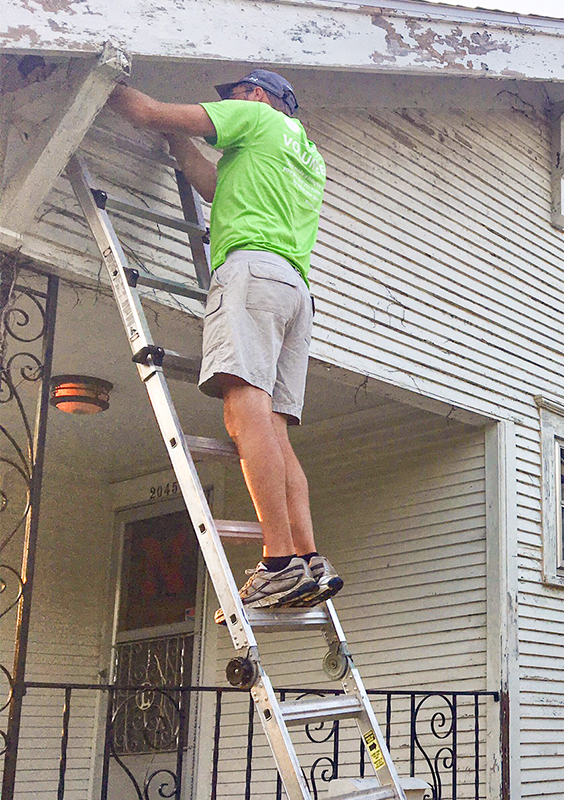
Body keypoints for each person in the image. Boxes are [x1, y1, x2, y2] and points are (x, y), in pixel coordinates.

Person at [107, 69, 342, 618]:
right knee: (273, 425)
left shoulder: (255, 118)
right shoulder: (307, 155)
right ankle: (308, 559)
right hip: (294, 290)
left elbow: (149, 111)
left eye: (234, 96)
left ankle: (278, 563)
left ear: (257, 96)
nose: (228, 106)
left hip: (251, 276)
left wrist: (101, 80)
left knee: (245, 409)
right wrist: (178, 145)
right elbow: (214, 186)